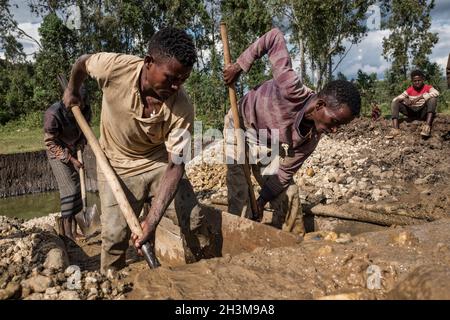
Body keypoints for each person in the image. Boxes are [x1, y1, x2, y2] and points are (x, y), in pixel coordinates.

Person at [63, 27, 211, 274]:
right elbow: (82, 63)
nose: (176, 86)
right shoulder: (113, 68)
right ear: (149, 62)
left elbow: (175, 167)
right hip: (115, 163)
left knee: (195, 217)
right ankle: (111, 282)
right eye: (171, 78)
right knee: (114, 237)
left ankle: (205, 270)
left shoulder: (182, 108)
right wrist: (72, 90)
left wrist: (150, 223)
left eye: (183, 80)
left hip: (158, 162)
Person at [223, 28, 361, 235]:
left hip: (267, 141)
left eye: (340, 126)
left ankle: (294, 244)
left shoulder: (311, 138)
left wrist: (261, 201)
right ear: (319, 105)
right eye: (334, 121)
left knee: (289, 193)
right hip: (240, 123)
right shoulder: (291, 88)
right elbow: (274, 36)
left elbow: (284, 173)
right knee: (240, 193)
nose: (334, 130)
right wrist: (239, 67)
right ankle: (236, 243)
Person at [44, 86, 97, 241]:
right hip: (57, 151)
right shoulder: (53, 113)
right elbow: (50, 143)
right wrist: (71, 159)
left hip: (74, 148)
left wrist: (81, 145)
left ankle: (74, 230)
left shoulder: (85, 109)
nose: (79, 107)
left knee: (77, 191)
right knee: (70, 190)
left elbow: (85, 130)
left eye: (82, 103)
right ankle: (67, 233)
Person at [387, 70, 440, 139]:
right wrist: (404, 99)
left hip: (423, 112)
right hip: (412, 112)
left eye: (419, 80)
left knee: (433, 99)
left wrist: (420, 97)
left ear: (423, 79)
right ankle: (396, 130)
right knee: (396, 102)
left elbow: (437, 93)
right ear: (412, 81)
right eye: (415, 81)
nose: (417, 82)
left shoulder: (427, 87)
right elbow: (395, 99)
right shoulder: (409, 90)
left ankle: (427, 127)